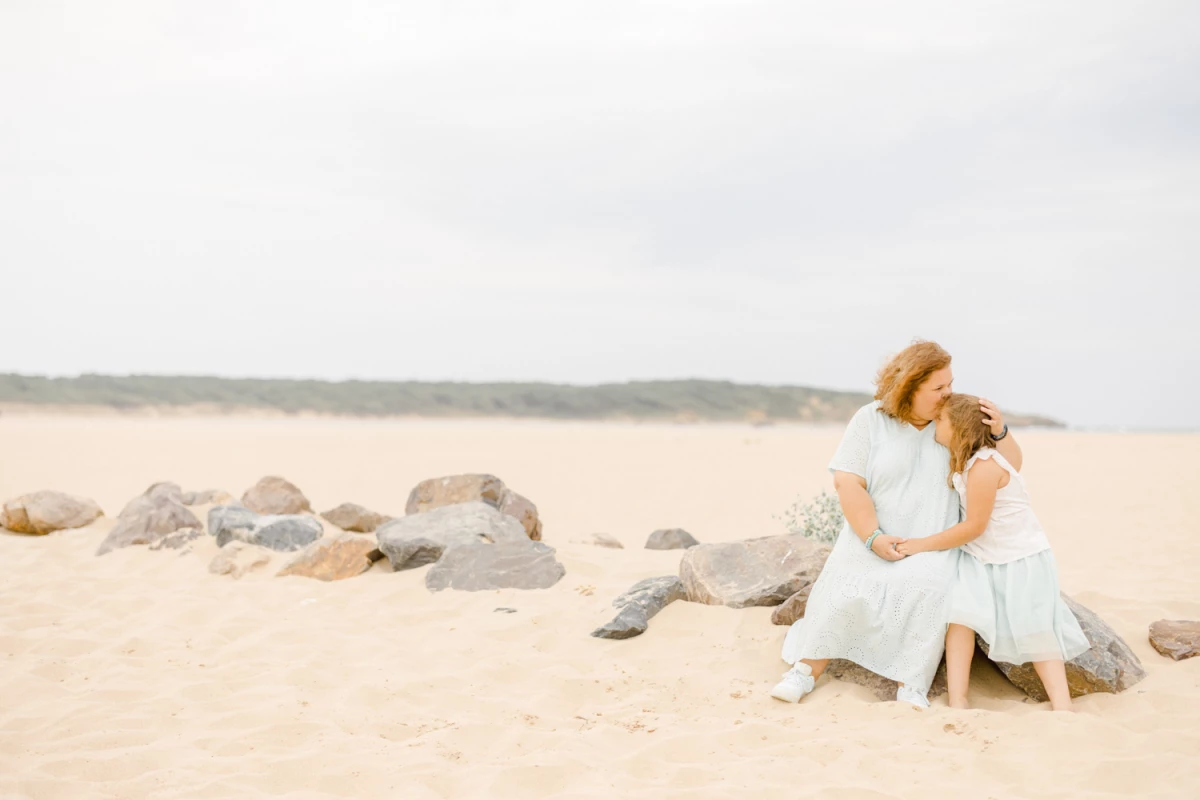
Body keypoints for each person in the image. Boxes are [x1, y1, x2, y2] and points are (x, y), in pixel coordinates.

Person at [770, 341, 1022, 707]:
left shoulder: (955, 420)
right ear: (909, 387)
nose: (948, 392)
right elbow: (847, 482)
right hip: (872, 532)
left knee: (928, 587)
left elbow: (1008, 468)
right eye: (938, 387)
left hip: (933, 538)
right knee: (846, 583)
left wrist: (1000, 432)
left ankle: (912, 684)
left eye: (950, 383)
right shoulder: (870, 419)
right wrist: (873, 537)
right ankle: (805, 671)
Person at [895, 393, 1088, 710]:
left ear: (959, 427)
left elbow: (974, 526)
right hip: (979, 558)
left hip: (1019, 558)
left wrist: (920, 544)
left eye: (940, 419)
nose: (934, 422)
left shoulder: (984, 466)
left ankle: (1062, 705)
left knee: (1035, 628)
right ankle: (958, 699)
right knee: (960, 619)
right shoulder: (967, 460)